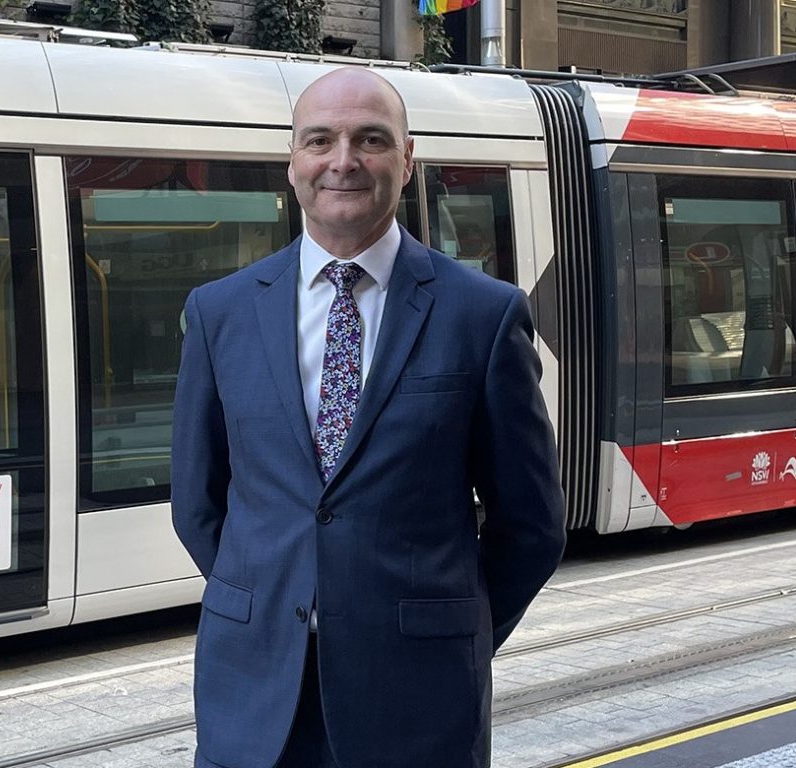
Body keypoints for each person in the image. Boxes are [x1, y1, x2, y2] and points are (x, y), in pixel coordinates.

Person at [170, 67, 566, 768]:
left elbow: (530, 525)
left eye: (371, 140)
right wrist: (272, 606)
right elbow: (197, 503)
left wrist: (451, 632)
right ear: (293, 162)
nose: (343, 160)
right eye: (319, 139)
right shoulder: (219, 312)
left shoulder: (483, 313)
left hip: (420, 703)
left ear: (407, 159)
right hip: (255, 696)